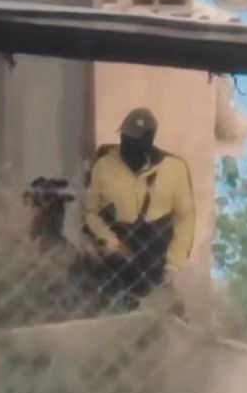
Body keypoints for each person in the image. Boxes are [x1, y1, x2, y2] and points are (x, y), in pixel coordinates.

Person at [83, 108, 195, 310]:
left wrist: (174, 264)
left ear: (149, 140)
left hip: (157, 262)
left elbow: (185, 219)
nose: (127, 143)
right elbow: (90, 212)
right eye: (125, 136)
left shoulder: (174, 168)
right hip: (118, 262)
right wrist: (110, 242)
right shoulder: (104, 166)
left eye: (135, 139)